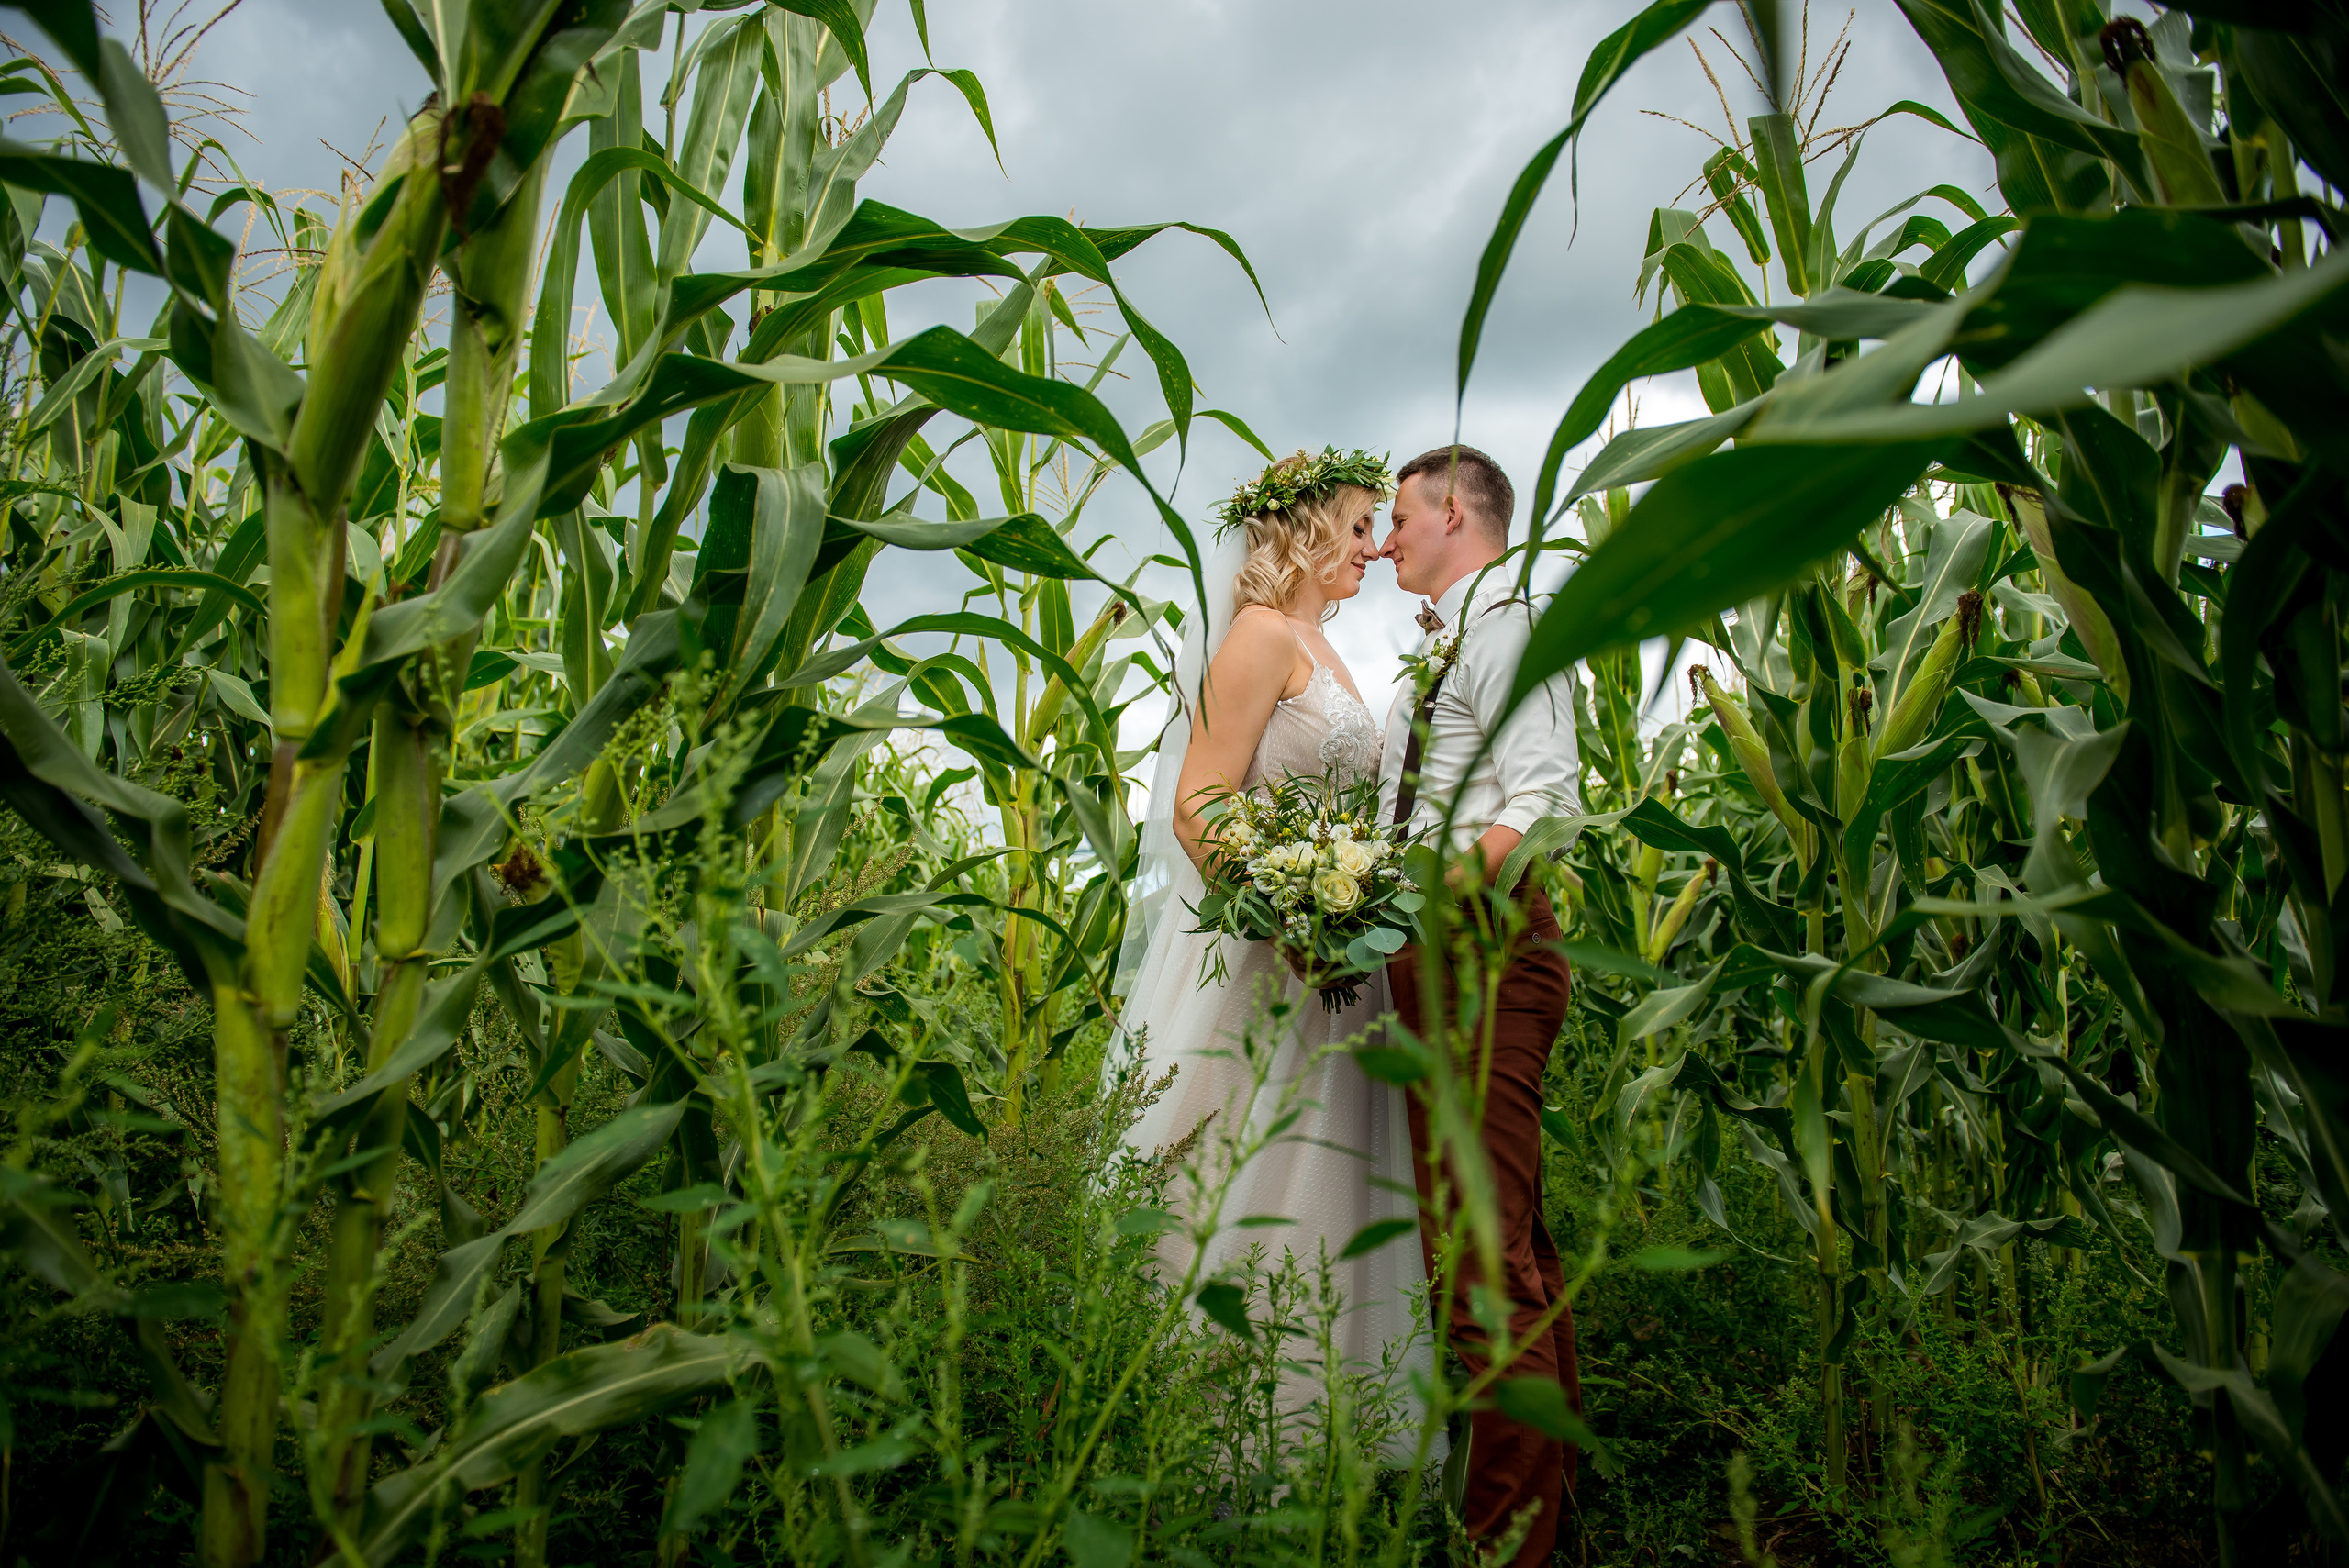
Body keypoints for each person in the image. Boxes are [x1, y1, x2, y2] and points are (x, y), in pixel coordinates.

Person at [1114, 446, 1434, 1448]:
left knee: (1334, 1182)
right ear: (1306, 528)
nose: (1372, 548)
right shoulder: (1258, 634)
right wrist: (1287, 911)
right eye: (1357, 526)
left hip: (1339, 959)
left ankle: (1328, 1429)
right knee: (1239, 1175)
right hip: (1271, 961)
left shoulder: (1323, 646)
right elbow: (1198, 802)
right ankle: (1217, 1428)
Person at [1376, 443, 1585, 1567]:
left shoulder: (1506, 619)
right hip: (1451, 953)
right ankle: (1548, 1519)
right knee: (1508, 1251)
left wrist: (1425, 901)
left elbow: (1544, 796)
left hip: (1480, 948)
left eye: (1398, 517)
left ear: (1453, 509)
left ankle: (1509, 1547)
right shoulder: (1457, 634)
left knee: (1481, 1265)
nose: (1385, 540)